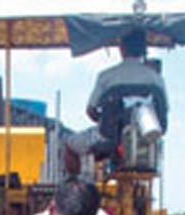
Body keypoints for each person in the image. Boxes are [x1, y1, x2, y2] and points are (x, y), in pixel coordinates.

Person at [67, 29, 168, 161]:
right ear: (144, 50)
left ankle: (75, 180)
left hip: (109, 137)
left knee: (69, 144)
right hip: (146, 140)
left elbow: (90, 111)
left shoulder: (106, 77)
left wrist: (108, 121)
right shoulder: (156, 79)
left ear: (122, 49)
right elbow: (163, 112)